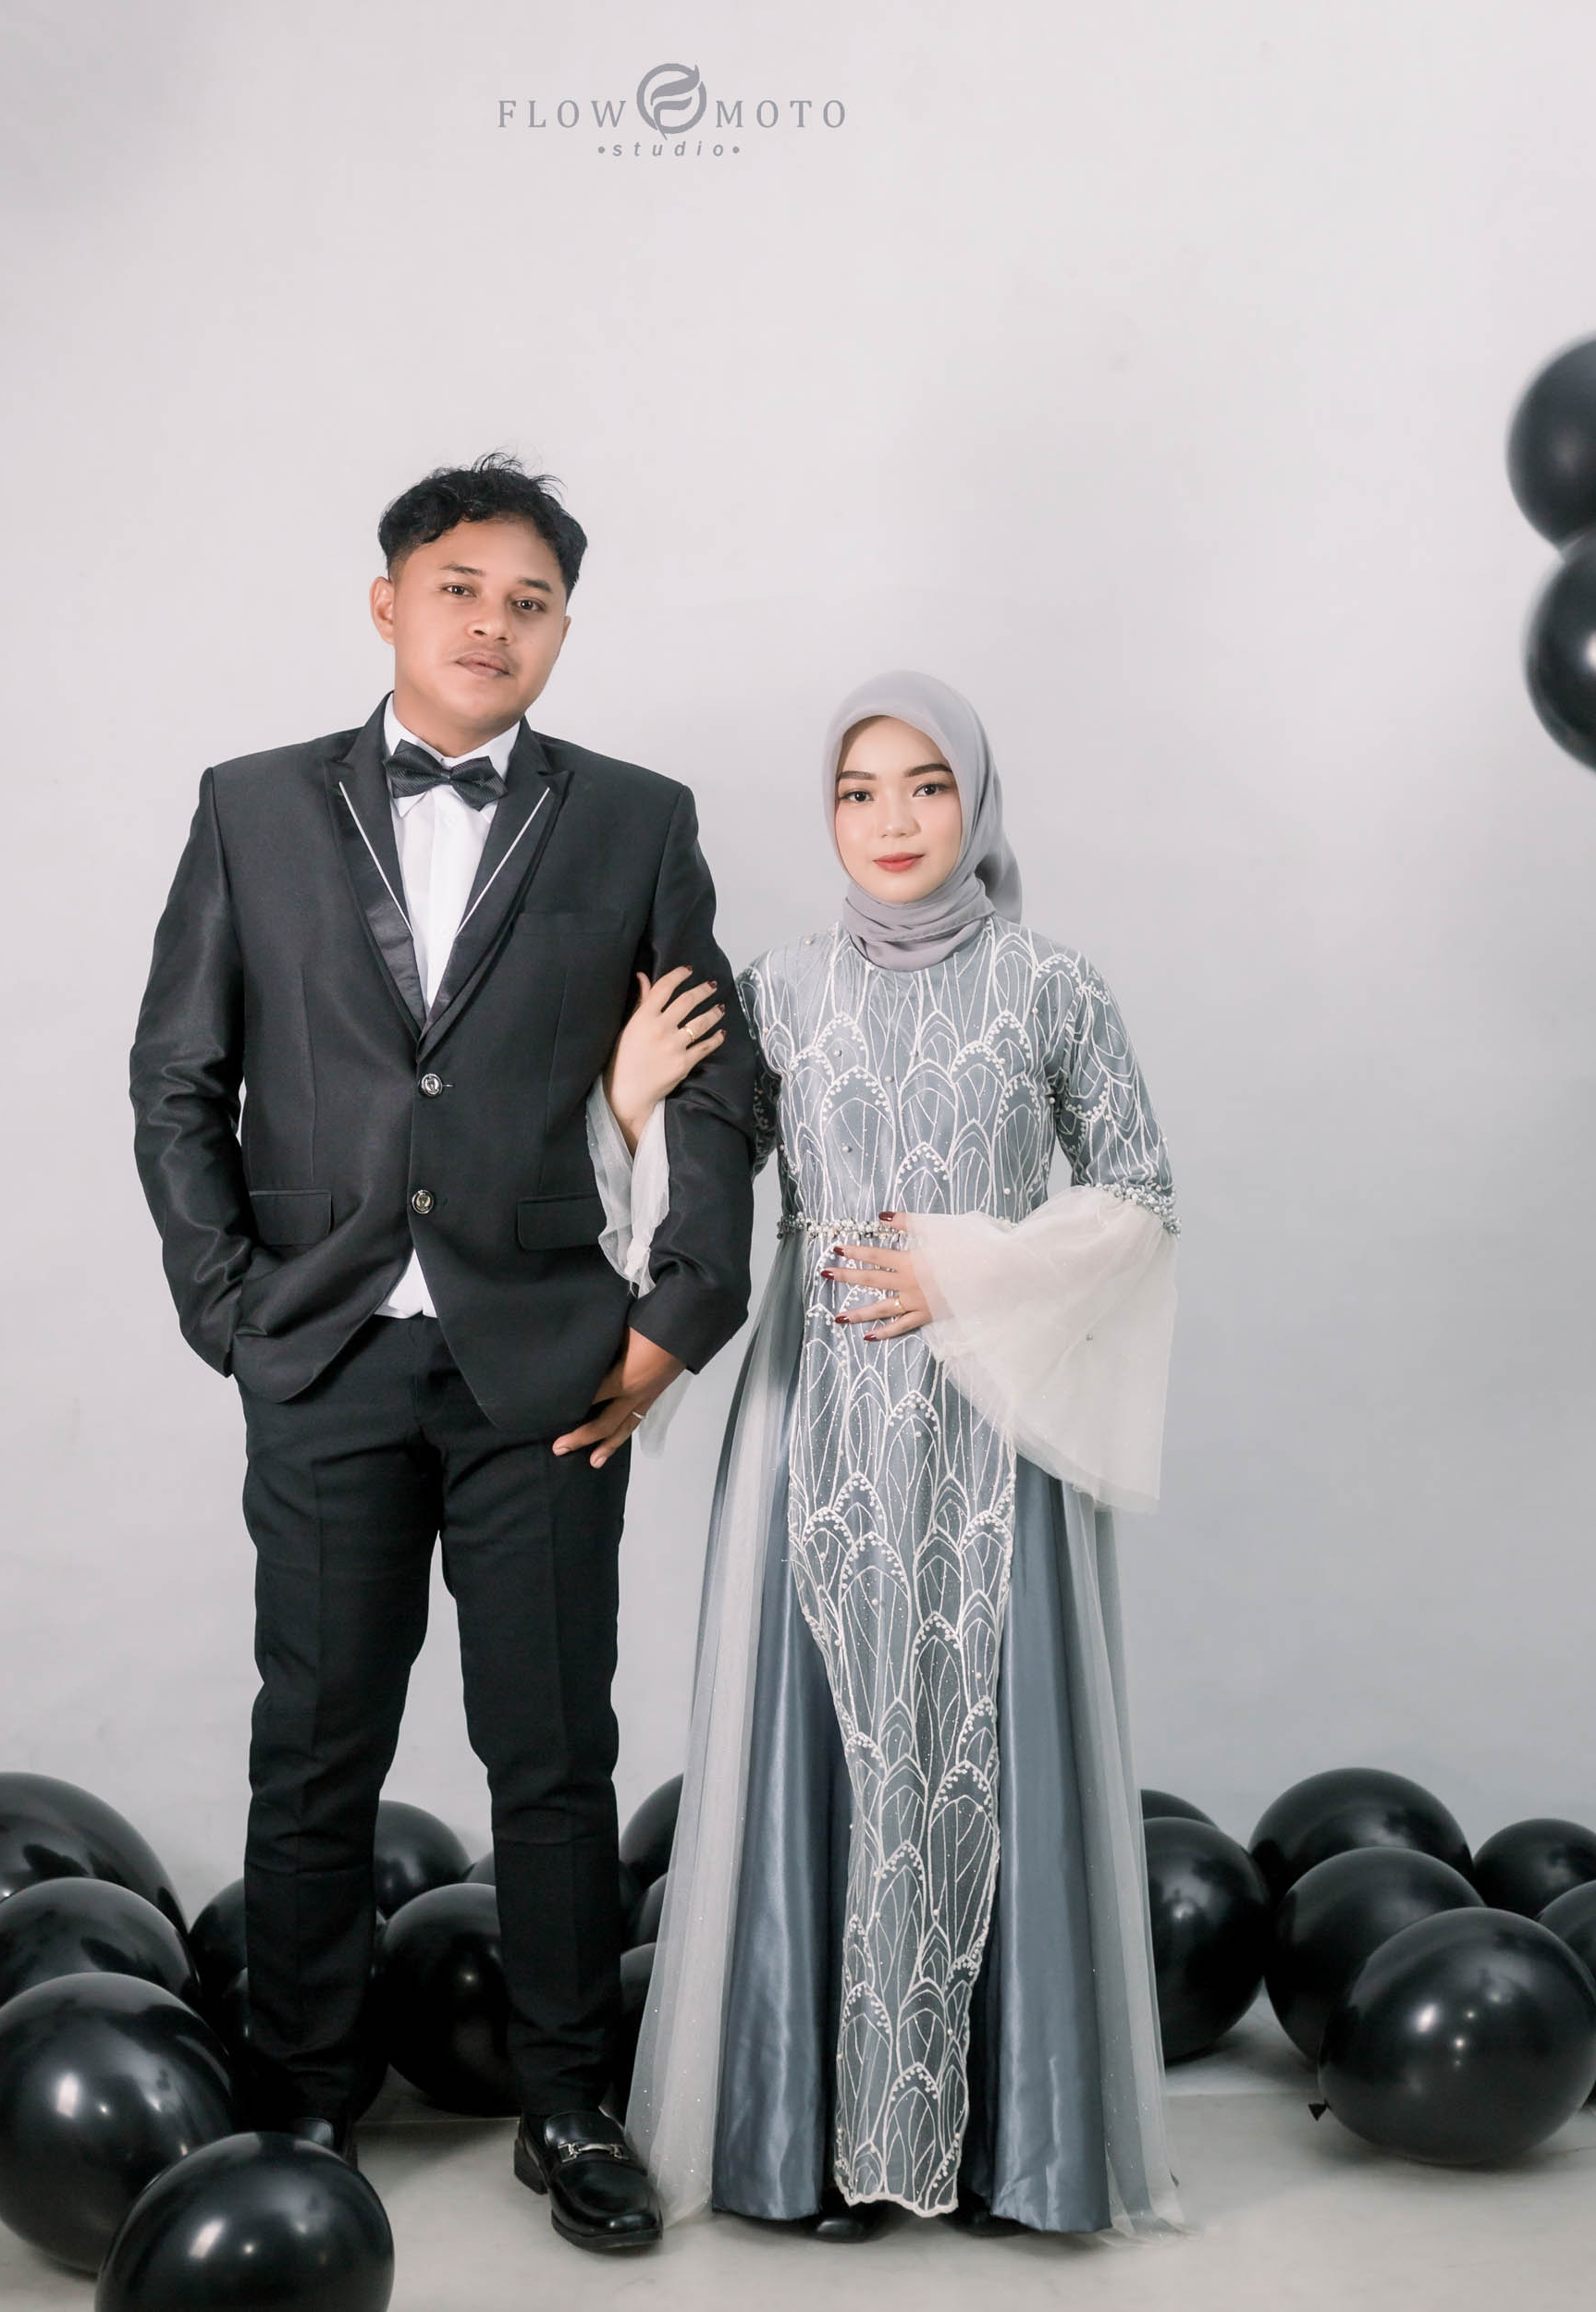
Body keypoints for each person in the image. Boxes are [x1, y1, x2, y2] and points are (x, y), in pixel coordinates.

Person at [128, 454, 756, 2254]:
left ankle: (568, 2103)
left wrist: (675, 1318)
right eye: (460, 588)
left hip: (545, 1367)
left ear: (563, 629)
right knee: (315, 1742)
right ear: (388, 602)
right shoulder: (251, 806)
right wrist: (229, 1312)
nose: (493, 624)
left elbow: (714, 1082)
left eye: (530, 600)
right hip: (323, 1354)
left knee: (551, 1752)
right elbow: (177, 1074)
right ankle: (303, 2091)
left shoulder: (634, 821)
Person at [622, 671, 1185, 2238]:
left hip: (998, 1429)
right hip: (818, 1423)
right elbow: (699, 1202)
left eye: (927, 785)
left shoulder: (1053, 987)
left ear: (976, 802)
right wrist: (630, 1103)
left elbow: (1141, 1199)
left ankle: (1015, 2153)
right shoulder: (778, 991)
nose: (892, 820)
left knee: (991, 1735)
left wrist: (968, 1271)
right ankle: (807, 2151)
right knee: (823, 1739)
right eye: (858, 790)